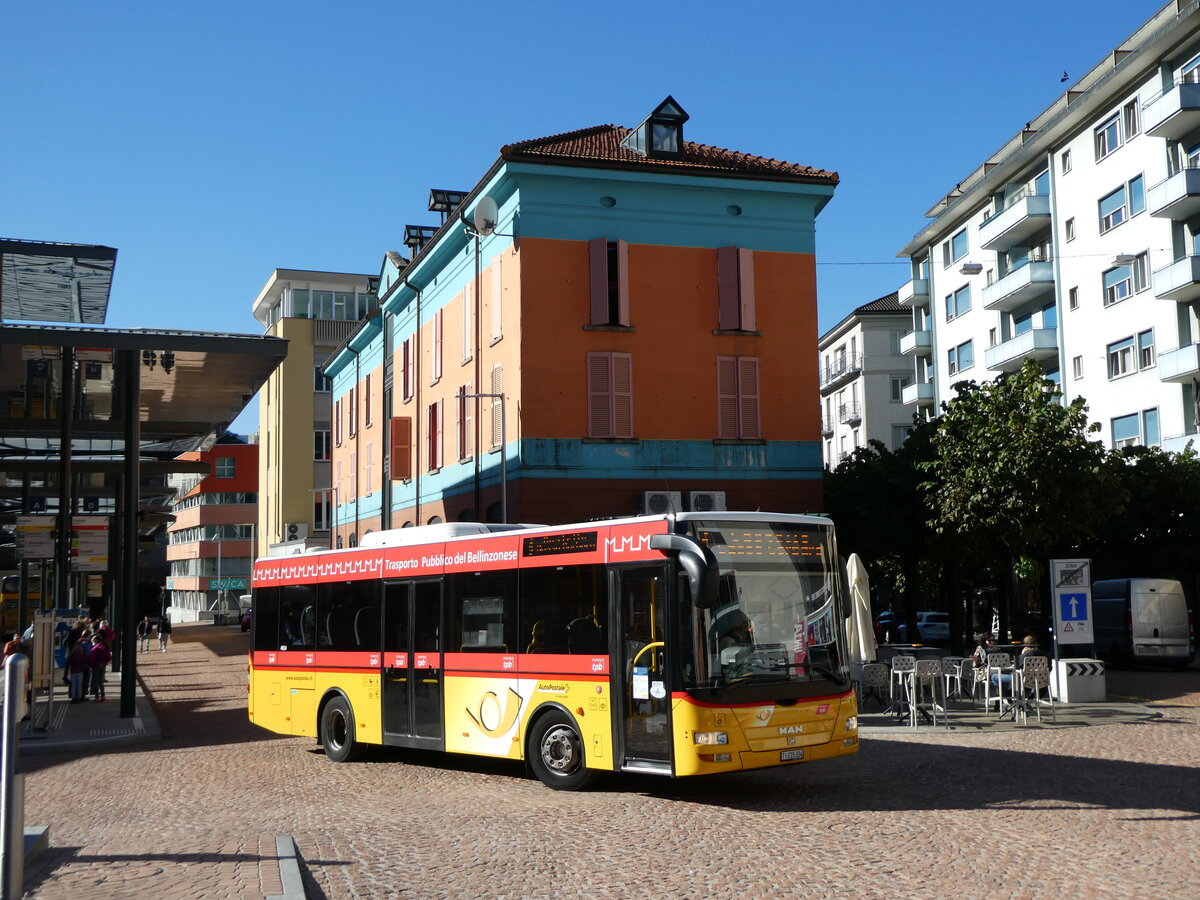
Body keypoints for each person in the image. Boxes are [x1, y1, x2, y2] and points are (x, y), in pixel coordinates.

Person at [89, 635, 112, 702]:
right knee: (101, 682)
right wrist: (105, 662)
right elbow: (109, 657)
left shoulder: (94, 649)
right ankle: (103, 695)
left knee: (96, 682)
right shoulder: (104, 648)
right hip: (102, 666)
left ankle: (97, 697)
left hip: (95, 666)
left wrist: (91, 664)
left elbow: (92, 659)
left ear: (96, 640)